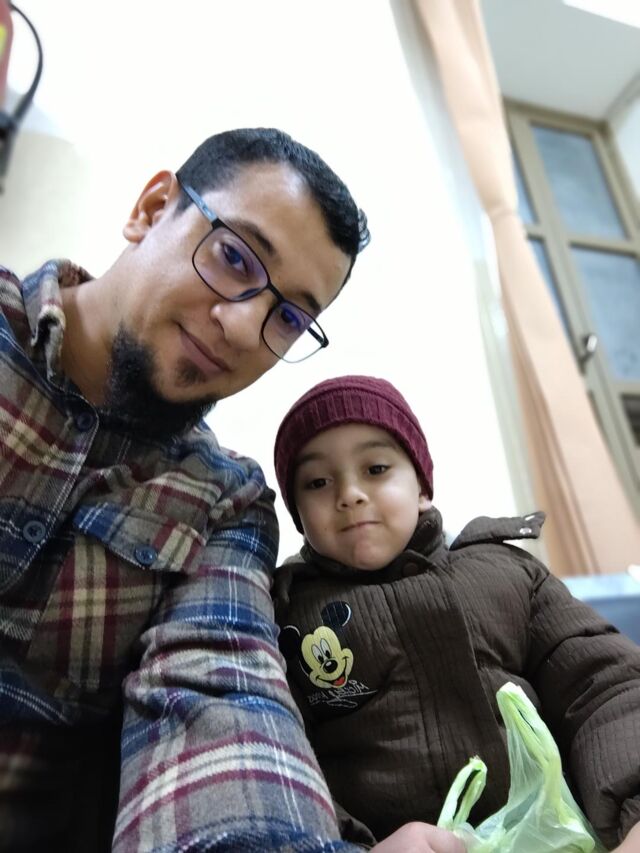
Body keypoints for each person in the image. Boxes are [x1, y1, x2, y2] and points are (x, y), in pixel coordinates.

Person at [0, 126, 414, 853]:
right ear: (151, 209)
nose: (245, 326)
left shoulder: (225, 503)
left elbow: (221, 693)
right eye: (234, 257)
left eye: (289, 317)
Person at [273, 374, 640, 852]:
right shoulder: (285, 620)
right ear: (299, 515)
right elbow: (277, 761)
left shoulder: (507, 573)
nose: (349, 494)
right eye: (318, 482)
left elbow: (605, 685)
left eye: (376, 468)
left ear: (422, 487)